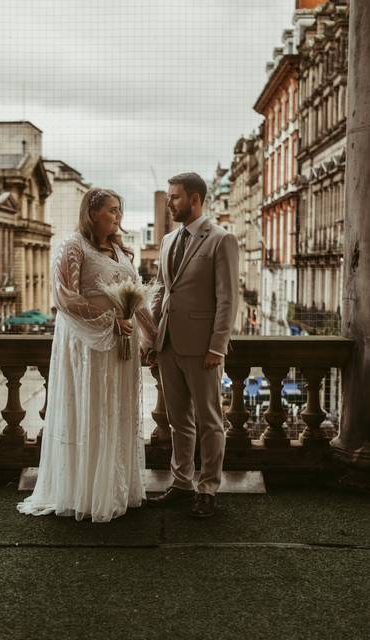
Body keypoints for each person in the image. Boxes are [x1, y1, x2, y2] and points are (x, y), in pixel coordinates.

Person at [17, 188, 156, 523]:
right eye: (111, 210)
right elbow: (65, 299)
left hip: (122, 349)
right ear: (92, 212)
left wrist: (153, 336)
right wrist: (111, 320)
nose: (118, 216)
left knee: (117, 411)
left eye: (120, 210)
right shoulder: (73, 245)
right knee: (92, 410)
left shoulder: (122, 250)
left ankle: (114, 487)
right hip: (89, 347)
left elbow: (134, 299)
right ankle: (87, 492)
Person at [145, 172, 239, 518]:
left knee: (210, 421)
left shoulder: (221, 240)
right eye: (169, 197)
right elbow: (160, 293)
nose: (170, 203)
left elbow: (228, 299)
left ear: (195, 199)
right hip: (168, 345)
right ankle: (182, 482)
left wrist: (217, 346)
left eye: (176, 197)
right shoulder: (169, 240)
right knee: (177, 421)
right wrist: (152, 339)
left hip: (203, 350)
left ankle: (209, 488)